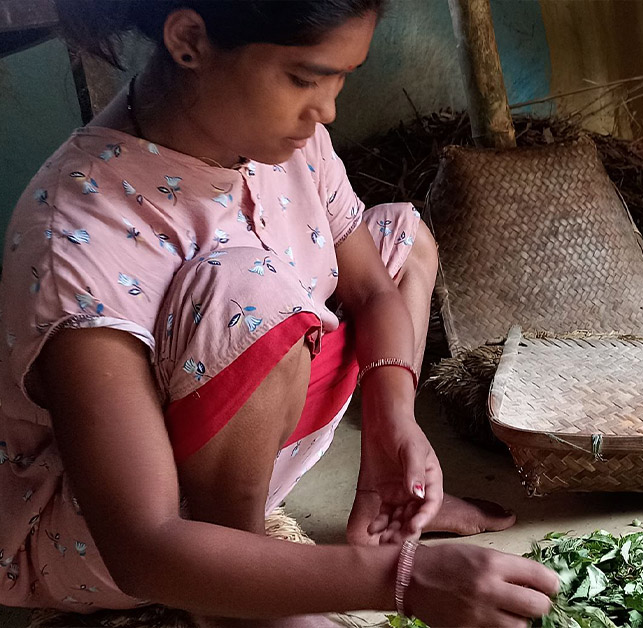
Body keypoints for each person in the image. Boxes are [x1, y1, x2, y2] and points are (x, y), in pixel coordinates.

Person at [0, 2, 559, 626]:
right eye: (304, 78)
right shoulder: (78, 234)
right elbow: (142, 544)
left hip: (214, 450)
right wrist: (401, 581)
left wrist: (390, 428)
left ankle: (377, 496)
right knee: (251, 293)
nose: (327, 110)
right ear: (189, 41)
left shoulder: (284, 144)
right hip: (99, 534)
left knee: (401, 234)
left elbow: (375, 292)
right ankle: (236, 598)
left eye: (341, 77)